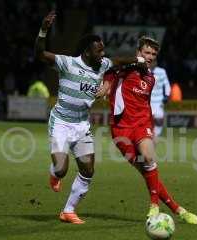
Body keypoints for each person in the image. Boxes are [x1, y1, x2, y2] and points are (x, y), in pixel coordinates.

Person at [34, 11, 143, 224]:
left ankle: (68, 211)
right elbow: (40, 54)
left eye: (103, 49)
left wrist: (139, 60)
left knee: (88, 169)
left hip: (82, 125)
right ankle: (55, 174)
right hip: (62, 123)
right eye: (99, 50)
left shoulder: (101, 65)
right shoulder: (67, 63)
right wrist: (43, 30)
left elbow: (119, 61)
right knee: (61, 169)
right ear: (87, 51)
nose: (103, 54)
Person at [103, 36, 197, 224]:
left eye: (153, 54)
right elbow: (114, 62)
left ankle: (154, 205)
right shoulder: (122, 69)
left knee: (148, 158)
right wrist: (106, 85)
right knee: (147, 173)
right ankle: (178, 209)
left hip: (142, 125)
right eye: (146, 52)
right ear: (138, 52)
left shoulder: (150, 77)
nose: (149, 57)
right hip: (120, 130)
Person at [150, 61, 170, 137]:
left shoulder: (161, 71)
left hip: (158, 101)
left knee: (159, 119)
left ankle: (156, 135)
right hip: (147, 101)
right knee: (146, 119)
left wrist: (167, 95)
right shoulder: (144, 71)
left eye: (155, 62)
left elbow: (167, 84)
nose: (153, 63)